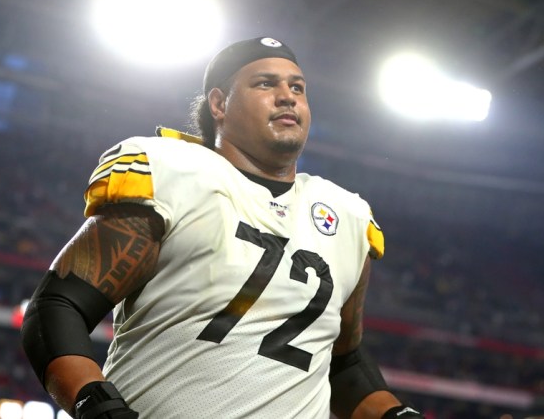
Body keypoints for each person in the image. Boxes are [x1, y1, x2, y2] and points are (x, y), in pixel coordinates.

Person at [21, 36, 422, 419]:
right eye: (266, 83)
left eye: (298, 87)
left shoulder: (347, 215)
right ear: (219, 103)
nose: (288, 96)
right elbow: (59, 306)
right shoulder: (171, 171)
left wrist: (395, 414)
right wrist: (98, 405)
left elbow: (343, 361)